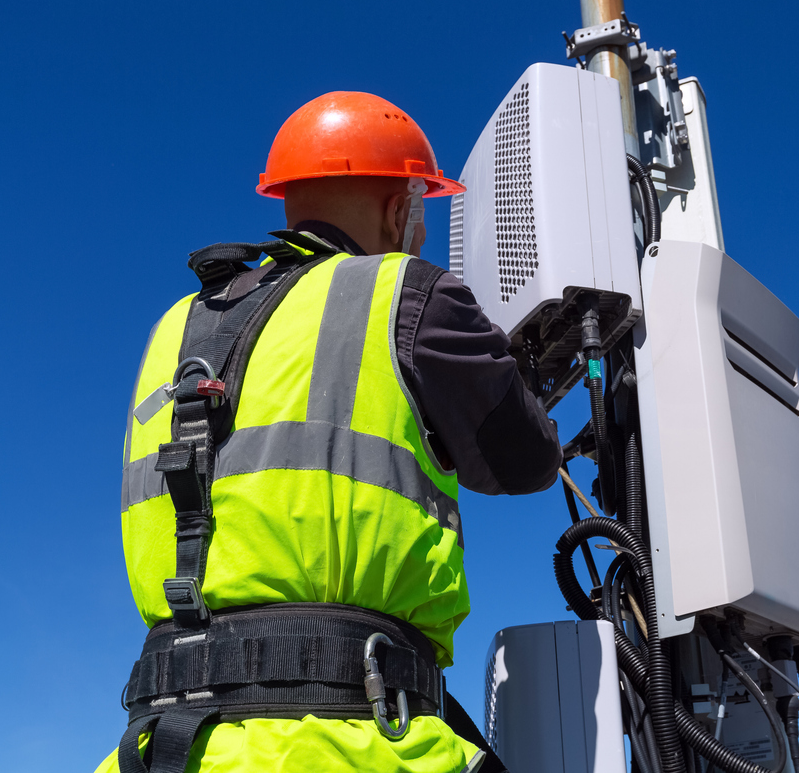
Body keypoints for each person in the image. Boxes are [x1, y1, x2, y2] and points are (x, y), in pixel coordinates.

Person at [96, 91, 562, 773]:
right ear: (400, 208)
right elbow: (523, 463)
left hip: (163, 746)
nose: (421, 235)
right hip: (343, 741)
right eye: (420, 214)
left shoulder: (174, 327)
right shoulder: (407, 292)